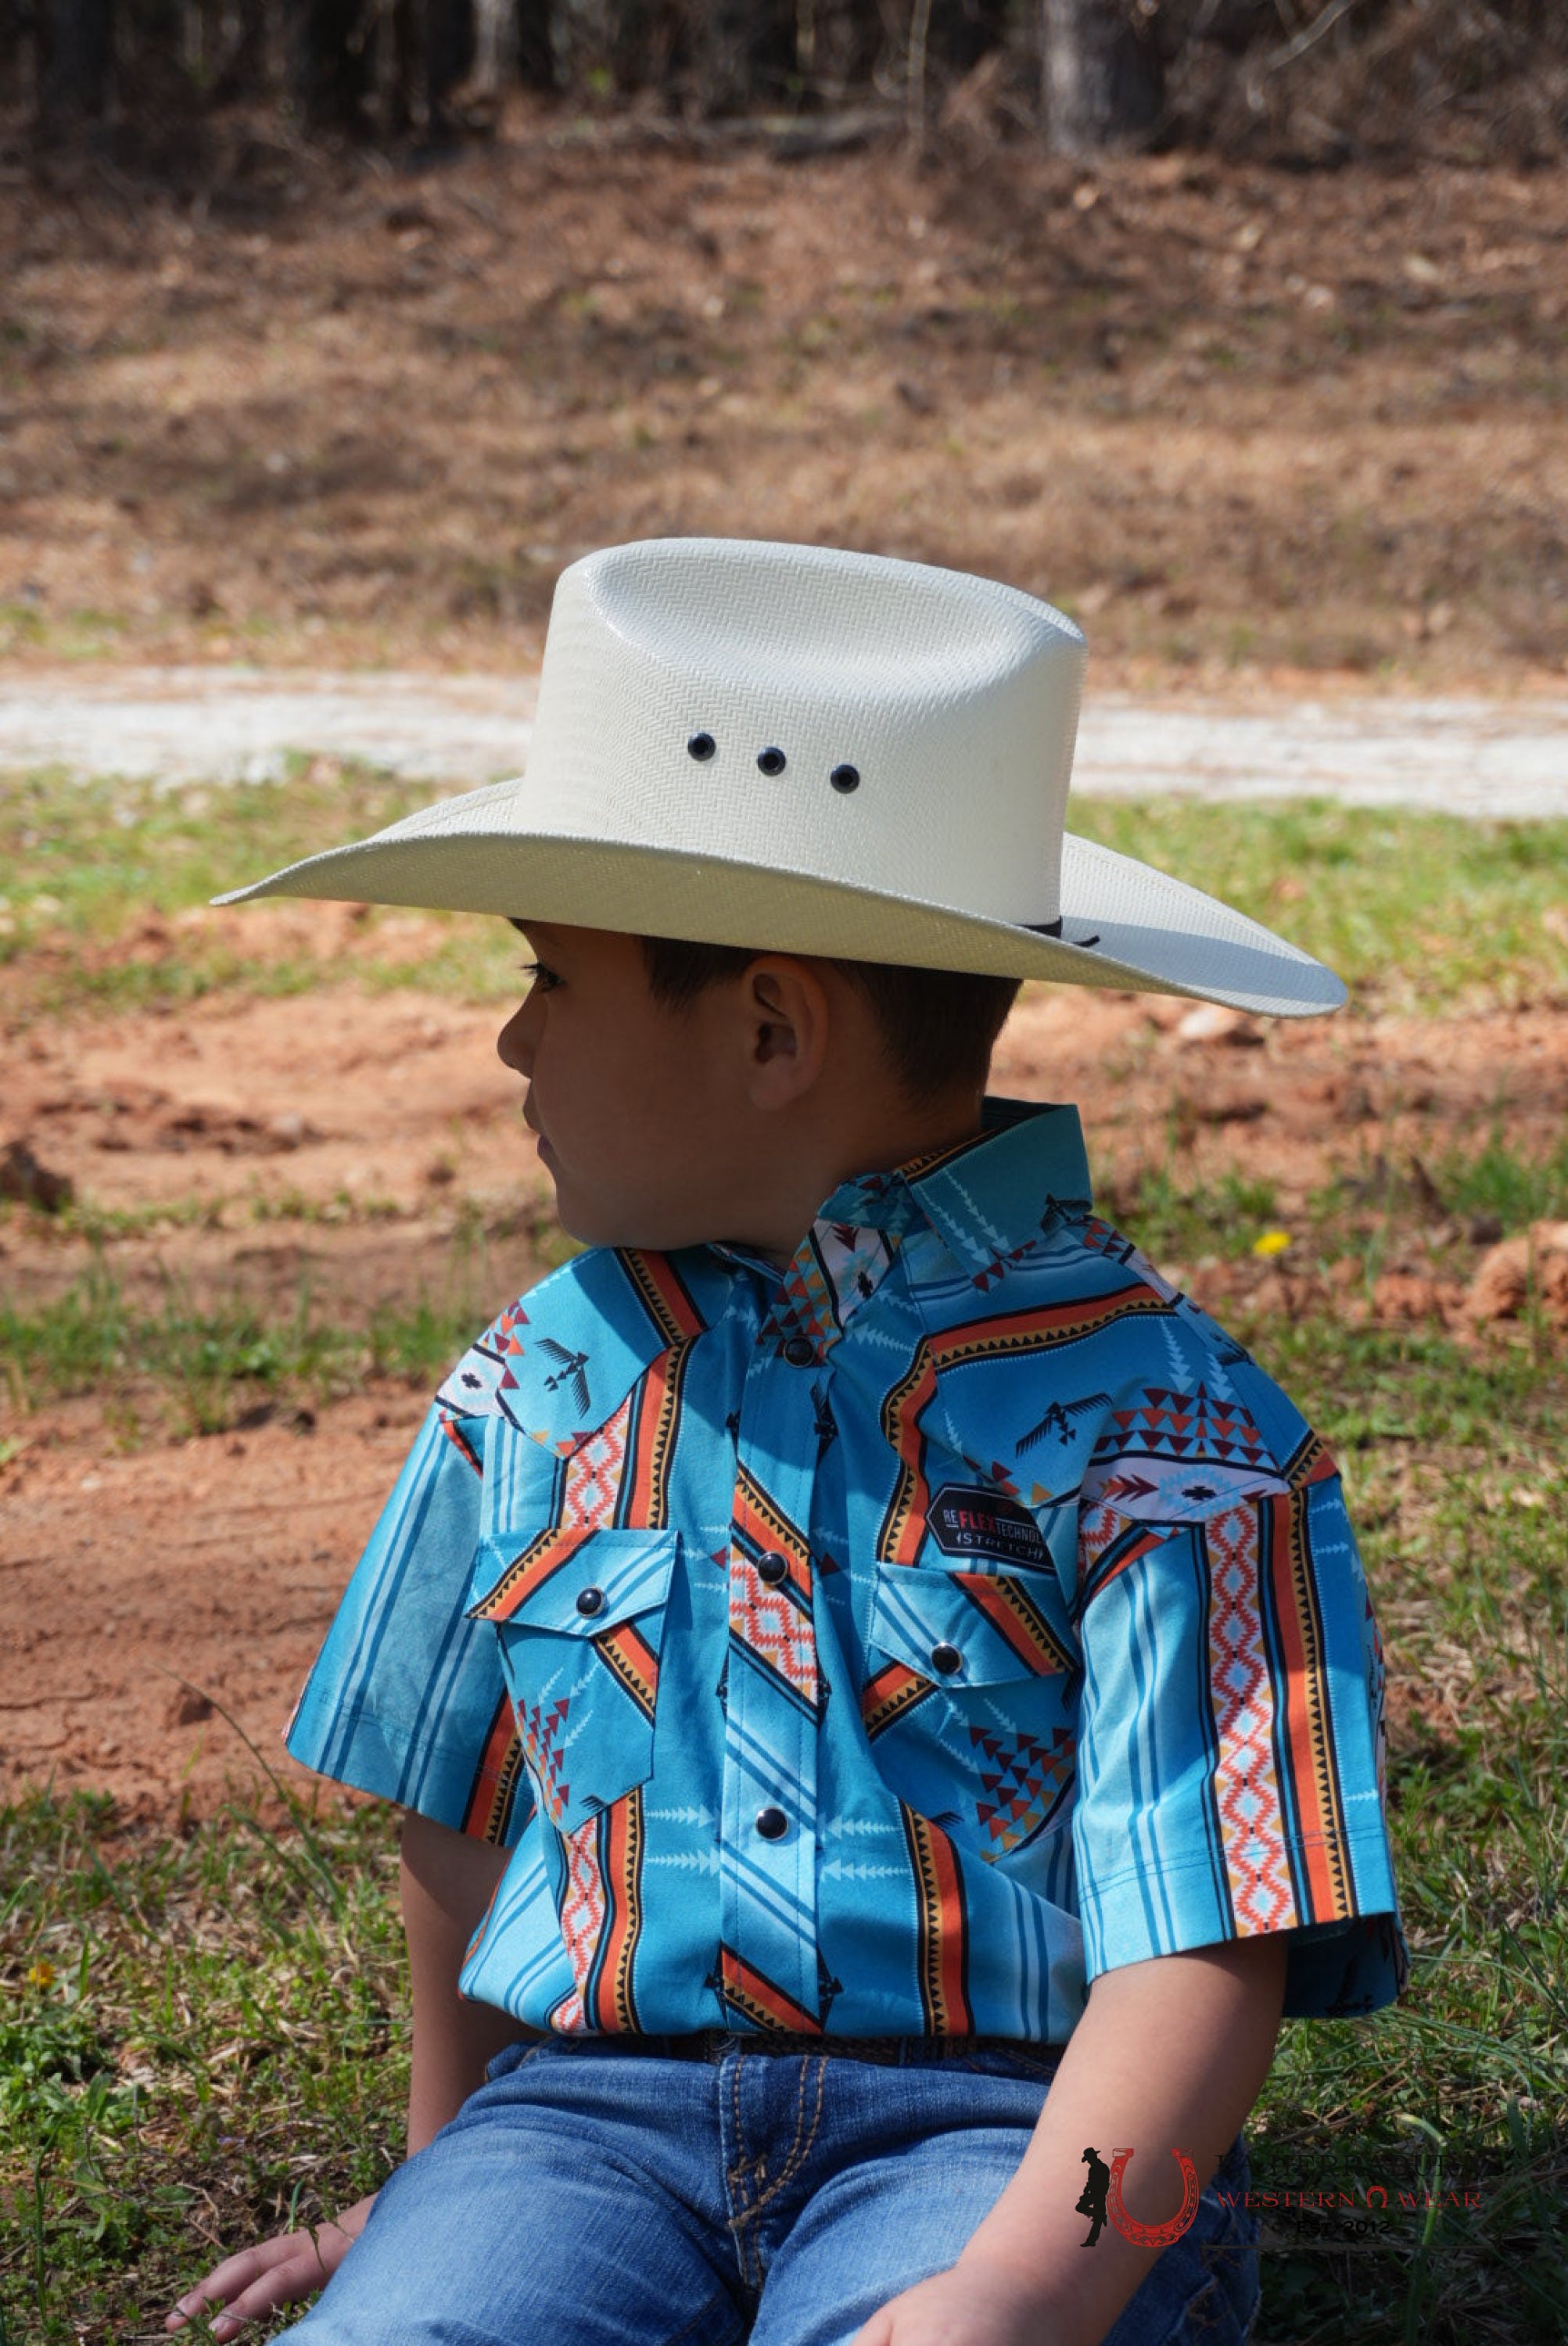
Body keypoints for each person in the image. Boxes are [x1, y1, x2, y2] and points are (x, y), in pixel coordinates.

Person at [167, 539, 1405, 2346]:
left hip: (1012, 2145)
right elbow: (459, 1820)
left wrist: (1033, 2287)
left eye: (550, 980)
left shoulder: (1172, 1434)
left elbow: (1214, 1951)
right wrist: (436, 2190)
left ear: (766, 1026)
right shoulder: (533, 1386)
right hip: (581, 2133)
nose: (511, 1042)